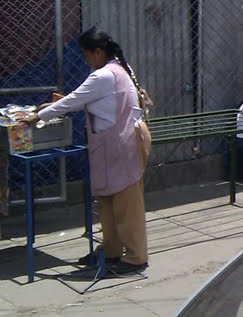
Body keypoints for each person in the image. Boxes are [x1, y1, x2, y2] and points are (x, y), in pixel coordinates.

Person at [23, 27, 150, 275]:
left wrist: (38, 116)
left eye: (86, 54)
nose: (85, 60)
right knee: (107, 199)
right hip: (111, 143)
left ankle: (136, 257)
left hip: (122, 143)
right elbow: (83, 99)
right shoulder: (116, 70)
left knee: (126, 202)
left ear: (98, 52)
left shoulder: (103, 75)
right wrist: (52, 106)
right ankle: (112, 249)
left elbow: (74, 100)